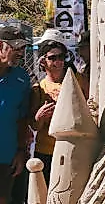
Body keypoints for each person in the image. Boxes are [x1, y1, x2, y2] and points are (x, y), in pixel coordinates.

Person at [28, 36, 78, 184]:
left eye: (61, 57)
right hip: (46, 151)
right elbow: (34, 126)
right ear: (43, 61)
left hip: (73, 149)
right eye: (53, 57)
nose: (58, 61)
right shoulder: (39, 89)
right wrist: (39, 116)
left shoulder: (77, 80)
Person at [0, 26, 32, 204]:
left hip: (6, 154)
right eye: (15, 47)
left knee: (2, 202)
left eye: (23, 48)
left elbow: (23, 119)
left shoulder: (21, 78)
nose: (20, 53)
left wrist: (21, 152)